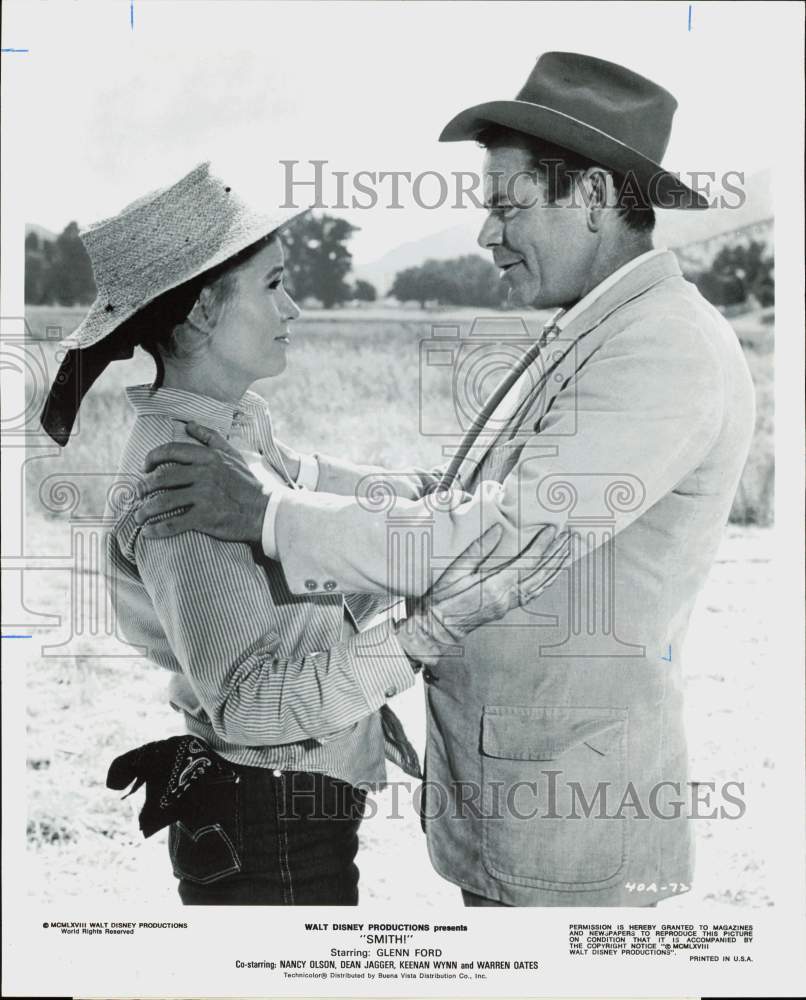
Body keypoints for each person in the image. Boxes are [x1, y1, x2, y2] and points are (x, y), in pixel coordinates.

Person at [135, 53, 757, 906]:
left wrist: (274, 517)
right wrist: (302, 474)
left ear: (595, 198)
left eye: (507, 205)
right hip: (526, 804)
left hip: (569, 823)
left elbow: (498, 537)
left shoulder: (663, 350)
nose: (486, 235)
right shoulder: (601, 328)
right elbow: (459, 494)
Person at [40, 161, 538, 905]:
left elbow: (307, 487)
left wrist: (427, 489)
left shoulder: (232, 434)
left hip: (274, 812)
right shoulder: (184, 480)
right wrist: (421, 637)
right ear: (205, 310)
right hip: (265, 822)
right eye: (274, 285)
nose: (295, 309)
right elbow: (248, 710)